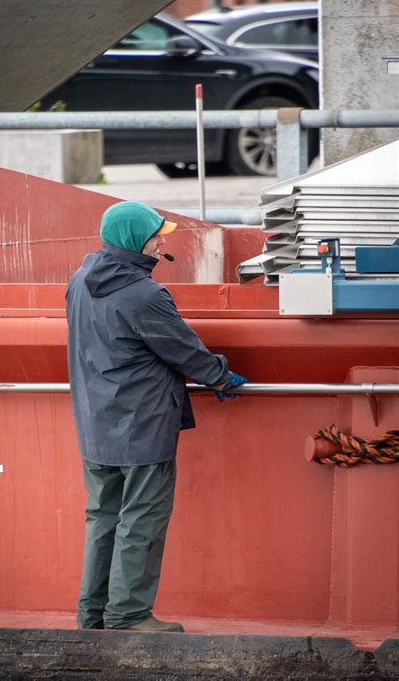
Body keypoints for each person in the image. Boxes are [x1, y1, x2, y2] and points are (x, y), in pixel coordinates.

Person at [66, 201, 247, 633]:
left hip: (95, 421)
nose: (162, 241)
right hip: (142, 425)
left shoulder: (79, 280)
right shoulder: (145, 294)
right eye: (155, 235)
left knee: (103, 517)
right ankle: (128, 616)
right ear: (133, 240)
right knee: (141, 519)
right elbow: (183, 350)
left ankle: (92, 617)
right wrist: (222, 377)